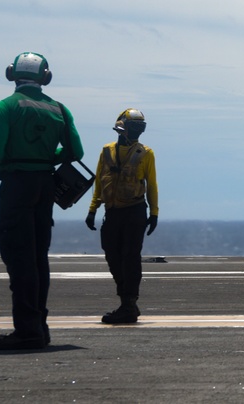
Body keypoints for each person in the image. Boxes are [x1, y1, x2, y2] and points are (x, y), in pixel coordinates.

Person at [0, 52, 84, 350]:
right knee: (39, 256)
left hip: (17, 185)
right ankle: (39, 325)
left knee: (19, 255)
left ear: (11, 73)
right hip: (45, 186)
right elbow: (75, 151)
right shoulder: (59, 109)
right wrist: (45, 157)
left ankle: (27, 330)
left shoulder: (5, 107)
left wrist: (18, 157)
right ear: (45, 77)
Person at [85, 108, 159, 324]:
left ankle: (128, 303)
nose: (136, 132)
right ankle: (126, 301)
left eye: (139, 128)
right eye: (133, 127)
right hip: (112, 211)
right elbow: (100, 182)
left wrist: (154, 213)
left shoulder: (146, 153)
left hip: (135, 210)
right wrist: (92, 209)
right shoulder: (106, 151)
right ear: (122, 127)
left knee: (131, 256)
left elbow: (152, 185)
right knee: (111, 254)